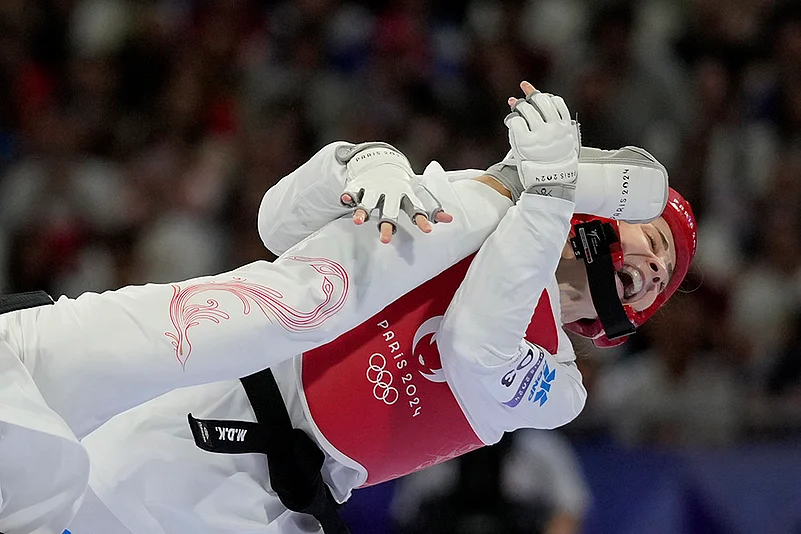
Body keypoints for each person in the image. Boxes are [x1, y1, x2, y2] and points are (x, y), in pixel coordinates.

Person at [56, 83, 696, 534]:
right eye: (657, 242)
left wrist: (546, 194)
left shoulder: (560, 385)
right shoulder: (471, 201)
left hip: (273, 507)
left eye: (663, 282)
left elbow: (475, 344)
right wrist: (356, 164)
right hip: (202, 399)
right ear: (609, 212)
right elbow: (277, 226)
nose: (655, 269)